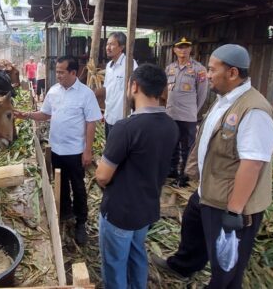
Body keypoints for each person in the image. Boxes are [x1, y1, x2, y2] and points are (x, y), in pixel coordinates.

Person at [151, 44, 273, 289]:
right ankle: (184, 264)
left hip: (230, 202)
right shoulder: (225, 100)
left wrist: (234, 212)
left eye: (212, 70)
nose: (207, 74)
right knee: (192, 224)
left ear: (232, 73)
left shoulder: (253, 111)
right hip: (210, 191)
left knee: (227, 262)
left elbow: (252, 165)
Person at [95, 64, 178, 289]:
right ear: (162, 90)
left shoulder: (126, 128)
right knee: (137, 253)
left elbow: (102, 176)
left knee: (114, 265)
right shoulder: (171, 126)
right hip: (147, 208)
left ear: (134, 86)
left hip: (120, 212)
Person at [15, 55, 102, 245]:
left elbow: (91, 123)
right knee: (61, 184)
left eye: (62, 72)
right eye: (57, 71)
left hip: (75, 151)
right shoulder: (53, 91)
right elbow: (45, 114)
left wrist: (88, 151)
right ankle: (65, 213)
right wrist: (26, 115)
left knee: (78, 187)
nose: (58, 75)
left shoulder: (86, 94)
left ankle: (81, 223)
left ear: (73, 72)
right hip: (56, 149)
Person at [165, 37, 209, 186]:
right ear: (175, 50)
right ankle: (171, 170)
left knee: (187, 148)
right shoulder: (170, 68)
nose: (183, 50)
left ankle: (184, 176)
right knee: (171, 144)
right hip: (171, 114)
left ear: (190, 49)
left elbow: (202, 93)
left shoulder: (199, 69)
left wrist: (193, 111)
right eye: (180, 47)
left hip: (187, 116)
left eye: (186, 47)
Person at [103, 32, 138, 138]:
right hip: (109, 116)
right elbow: (107, 90)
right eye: (107, 44)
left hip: (123, 119)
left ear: (121, 47)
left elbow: (136, 91)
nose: (108, 47)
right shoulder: (109, 66)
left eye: (112, 44)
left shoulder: (130, 64)